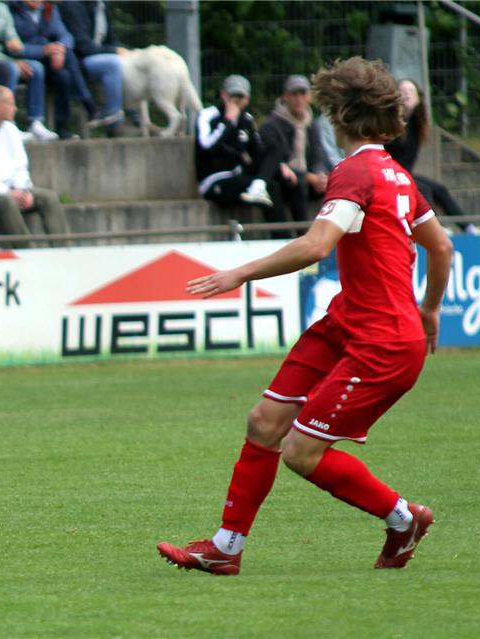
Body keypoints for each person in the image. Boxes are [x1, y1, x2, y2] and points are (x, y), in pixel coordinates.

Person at [157, 56, 454, 575]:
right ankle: (226, 548)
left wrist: (240, 272)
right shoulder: (398, 176)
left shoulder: (357, 171)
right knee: (264, 422)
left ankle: (403, 518)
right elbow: (443, 247)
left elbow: (318, 246)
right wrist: (429, 309)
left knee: (300, 450)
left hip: (379, 339)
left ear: (337, 113)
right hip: (348, 324)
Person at [195, 74, 288, 235]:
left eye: (241, 96)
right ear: (224, 95)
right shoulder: (208, 115)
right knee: (269, 189)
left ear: (247, 99)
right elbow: (206, 148)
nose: (237, 101)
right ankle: (282, 239)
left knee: (275, 155)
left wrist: (279, 166)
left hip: (239, 174)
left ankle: (283, 240)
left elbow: (258, 152)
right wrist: (228, 121)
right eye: (233, 96)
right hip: (215, 179)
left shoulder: (246, 119)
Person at [0, 85, 68, 245]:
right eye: (11, 103)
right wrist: (6, 192)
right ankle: (26, 251)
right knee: (6, 201)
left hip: (14, 189)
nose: (15, 108)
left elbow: (21, 166)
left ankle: (62, 250)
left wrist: (24, 191)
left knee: (49, 198)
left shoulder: (11, 129)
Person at [386, 79, 480, 235]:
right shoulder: (391, 124)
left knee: (439, 189)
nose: (406, 95)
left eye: (410, 91)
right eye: (402, 91)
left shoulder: (418, 123)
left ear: (418, 97)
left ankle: (468, 228)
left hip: (406, 174)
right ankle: (435, 228)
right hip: (391, 176)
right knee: (423, 189)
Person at [0, 0, 58, 141]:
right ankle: (8, 124)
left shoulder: (1, 8)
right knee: (11, 69)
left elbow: (11, 35)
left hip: (6, 56)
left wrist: (15, 44)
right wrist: (11, 61)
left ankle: (35, 121)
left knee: (36, 68)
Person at [11, 0, 98, 139]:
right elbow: (13, 47)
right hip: (27, 61)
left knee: (64, 75)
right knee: (54, 67)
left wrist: (60, 49)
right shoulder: (12, 10)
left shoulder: (49, 9)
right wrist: (43, 51)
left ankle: (62, 128)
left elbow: (66, 36)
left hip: (51, 60)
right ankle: (87, 101)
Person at [259, 74, 329, 223]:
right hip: (284, 181)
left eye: (303, 93)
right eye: (294, 94)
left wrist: (319, 175)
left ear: (309, 96)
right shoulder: (271, 125)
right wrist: (310, 177)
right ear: (285, 97)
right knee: (298, 183)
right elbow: (275, 162)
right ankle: (302, 233)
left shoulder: (312, 125)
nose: (299, 99)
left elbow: (318, 156)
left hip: (307, 180)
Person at [57, 0, 126, 134]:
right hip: (79, 61)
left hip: (99, 53)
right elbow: (83, 46)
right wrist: (113, 50)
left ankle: (133, 115)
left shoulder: (102, 4)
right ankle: (113, 119)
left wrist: (122, 50)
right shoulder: (72, 5)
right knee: (113, 64)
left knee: (128, 60)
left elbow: (111, 39)